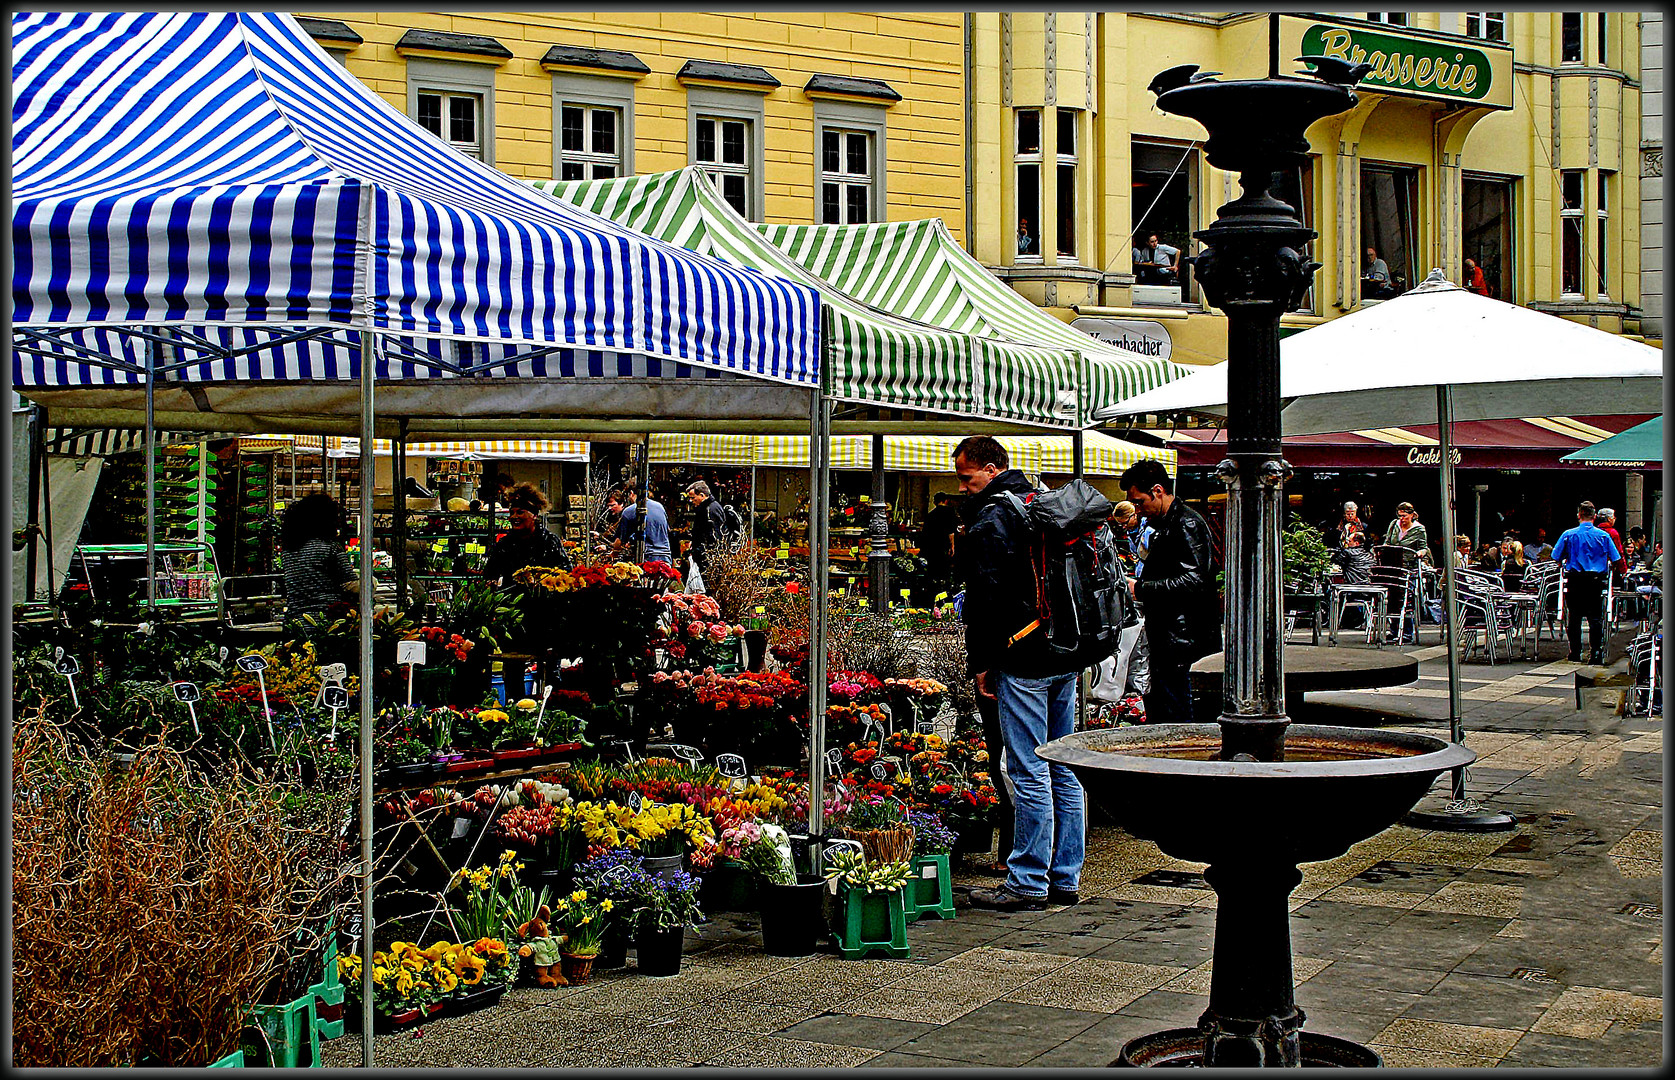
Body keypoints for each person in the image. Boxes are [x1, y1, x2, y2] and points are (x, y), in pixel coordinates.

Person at [953, 435, 1083, 912]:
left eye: (967, 477)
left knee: (1027, 767)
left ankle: (1027, 880)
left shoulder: (994, 516)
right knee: (1063, 767)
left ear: (990, 468)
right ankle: (1065, 876)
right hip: (1063, 650)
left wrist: (982, 664)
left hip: (1023, 655)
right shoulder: (1040, 501)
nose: (963, 486)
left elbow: (985, 600)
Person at [1120, 458, 1221, 726]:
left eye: (1140, 502)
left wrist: (1141, 588)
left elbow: (1194, 580)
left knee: (1177, 715)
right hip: (1172, 637)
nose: (1140, 510)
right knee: (1167, 710)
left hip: (1182, 640)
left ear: (1158, 490)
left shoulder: (1185, 523)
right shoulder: (1172, 523)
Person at [1552, 500, 1622, 664]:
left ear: (1579, 515)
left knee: (1574, 617)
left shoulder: (1568, 534)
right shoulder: (1604, 536)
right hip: (1595, 581)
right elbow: (1616, 558)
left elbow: (1555, 556)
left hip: (1575, 579)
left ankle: (1575, 651)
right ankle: (1596, 652)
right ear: (1595, 516)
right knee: (1595, 617)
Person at [281, 493, 359, 618]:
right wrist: (370, 582)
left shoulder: (288, 551)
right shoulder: (330, 548)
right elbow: (352, 586)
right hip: (327, 621)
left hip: (295, 620)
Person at [480, 482, 570, 584]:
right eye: (511, 513)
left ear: (534, 515)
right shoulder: (505, 544)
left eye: (520, 512)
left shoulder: (549, 541)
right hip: (512, 598)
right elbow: (490, 574)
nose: (514, 517)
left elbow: (565, 572)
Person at [608, 485, 672, 566]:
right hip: (665, 558)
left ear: (631, 493)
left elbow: (619, 542)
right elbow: (667, 530)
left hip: (647, 559)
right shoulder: (660, 507)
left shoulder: (629, 511)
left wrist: (613, 554)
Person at [683, 480, 730, 586]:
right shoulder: (707, 508)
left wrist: (699, 552)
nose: (691, 501)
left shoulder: (710, 510)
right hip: (706, 559)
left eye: (693, 498)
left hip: (709, 562)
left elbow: (714, 536)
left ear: (702, 495)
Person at [918, 491, 960, 592]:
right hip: (944, 546)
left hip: (931, 548)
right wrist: (953, 546)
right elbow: (951, 531)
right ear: (946, 501)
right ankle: (945, 591)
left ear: (935, 502)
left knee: (933, 572)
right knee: (945, 572)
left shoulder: (930, 515)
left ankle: (933, 590)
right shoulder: (950, 512)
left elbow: (924, 534)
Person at [1114, 499, 1154, 578]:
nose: (1124, 527)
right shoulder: (1131, 531)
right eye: (1121, 524)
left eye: (1125, 523)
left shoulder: (1150, 530)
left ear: (1134, 515)